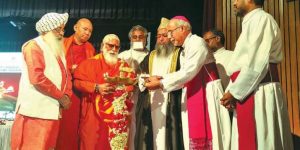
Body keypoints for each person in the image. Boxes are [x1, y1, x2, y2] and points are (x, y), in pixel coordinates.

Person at [145, 16, 231, 150]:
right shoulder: (186, 47)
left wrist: (161, 83)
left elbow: (189, 72)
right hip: (195, 91)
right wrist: (161, 78)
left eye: (170, 32)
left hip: (207, 93)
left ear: (182, 28)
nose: (169, 36)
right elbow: (184, 72)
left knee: (213, 135)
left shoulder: (197, 43)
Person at [220, 0, 294, 150]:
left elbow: (257, 62)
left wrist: (235, 92)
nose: (233, 3)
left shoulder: (262, 19)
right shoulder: (251, 22)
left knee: (262, 140)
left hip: (260, 90)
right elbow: (239, 65)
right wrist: (233, 90)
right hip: (248, 89)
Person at [11, 12, 72, 150]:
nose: (62, 33)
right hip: (34, 113)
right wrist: (60, 96)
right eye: (58, 29)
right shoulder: (33, 46)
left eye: (63, 29)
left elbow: (67, 75)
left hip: (51, 111)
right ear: (47, 29)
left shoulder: (58, 50)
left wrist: (67, 95)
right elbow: (37, 78)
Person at [73, 34, 136, 150]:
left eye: (116, 47)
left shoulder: (123, 65)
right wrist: (96, 87)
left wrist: (122, 91)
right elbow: (77, 83)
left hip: (115, 116)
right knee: (91, 143)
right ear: (102, 46)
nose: (113, 49)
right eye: (110, 46)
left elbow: (131, 85)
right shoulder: (90, 63)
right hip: (93, 114)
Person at [135, 17, 184, 150]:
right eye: (158, 36)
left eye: (164, 35)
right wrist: (146, 80)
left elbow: (183, 77)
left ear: (170, 36)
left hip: (171, 103)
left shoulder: (179, 54)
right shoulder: (151, 55)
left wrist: (162, 82)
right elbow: (139, 76)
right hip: (151, 102)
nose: (161, 39)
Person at [56, 18, 95, 150]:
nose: (87, 33)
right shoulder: (62, 43)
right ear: (75, 28)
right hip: (65, 92)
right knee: (65, 127)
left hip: (82, 94)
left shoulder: (90, 48)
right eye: (85, 29)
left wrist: (80, 71)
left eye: (90, 31)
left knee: (81, 127)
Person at [118, 25, 149, 150]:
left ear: (146, 39)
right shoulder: (123, 55)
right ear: (130, 39)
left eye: (141, 37)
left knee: (141, 126)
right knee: (128, 126)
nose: (137, 39)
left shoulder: (152, 55)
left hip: (145, 95)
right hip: (127, 96)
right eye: (134, 37)